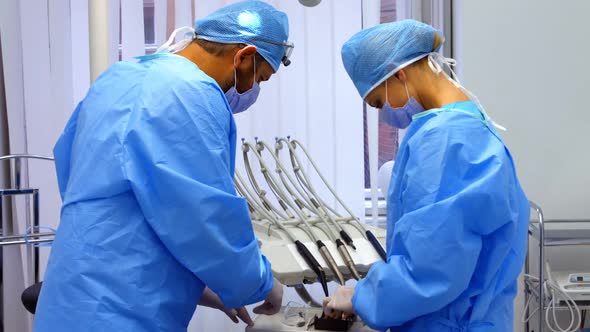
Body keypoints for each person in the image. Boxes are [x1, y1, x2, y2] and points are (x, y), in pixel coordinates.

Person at [34, 1, 294, 331]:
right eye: (259, 77)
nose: (250, 90)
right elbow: (206, 218)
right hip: (126, 315)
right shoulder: (192, 95)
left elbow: (81, 179)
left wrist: (196, 281)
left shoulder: (117, 78)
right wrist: (264, 284)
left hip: (70, 299)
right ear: (243, 56)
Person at [323, 19, 530, 331]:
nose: (384, 113)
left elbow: (432, 268)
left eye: (378, 101)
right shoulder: (470, 126)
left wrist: (361, 298)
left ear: (398, 73)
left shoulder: (446, 139)